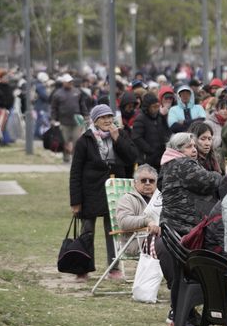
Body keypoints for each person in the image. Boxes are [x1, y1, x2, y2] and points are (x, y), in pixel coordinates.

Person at [69, 104, 138, 281]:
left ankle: (114, 268)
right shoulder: (85, 140)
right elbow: (75, 172)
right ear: (95, 120)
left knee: (113, 230)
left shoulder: (120, 134)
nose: (108, 121)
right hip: (90, 191)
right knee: (87, 230)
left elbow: (132, 157)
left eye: (110, 117)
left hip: (113, 190)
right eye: (103, 117)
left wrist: (118, 139)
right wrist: (75, 201)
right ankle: (82, 269)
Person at [158, 132, 222, 236]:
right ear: (177, 149)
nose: (194, 150)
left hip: (174, 225)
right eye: (189, 147)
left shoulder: (169, 165)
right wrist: (218, 175)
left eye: (194, 146)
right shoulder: (182, 164)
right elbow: (209, 181)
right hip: (186, 227)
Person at [115, 164, 169, 278]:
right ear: (135, 183)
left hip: (160, 237)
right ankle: (173, 280)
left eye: (151, 180)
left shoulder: (161, 199)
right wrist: (147, 221)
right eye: (143, 180)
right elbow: (123, 221)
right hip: (135, 241)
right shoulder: (127, 199)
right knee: (166, 245)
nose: (148, 183)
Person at [51, 73, 90, 162]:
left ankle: (75, 159)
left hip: (77, 121)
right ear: (63, 82)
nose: (70, 83)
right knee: (65, 141)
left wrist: (86, 115)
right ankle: (66, 157)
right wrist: (53, 119)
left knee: (77, 141)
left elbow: (82, 105)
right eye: (68, 82)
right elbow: (54, 108)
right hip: (64, 122)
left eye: (71, 82)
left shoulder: (77, 92)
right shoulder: (57, 94)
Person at [131, 92, 171, 173]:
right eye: (154, 107)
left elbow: (166, 132)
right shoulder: (140, 119)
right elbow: (137, 138)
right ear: (147, 107)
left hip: (161, 156)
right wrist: (149, 150)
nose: (156, 109)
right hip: (147, 157)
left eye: (157, 106)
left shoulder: (160, 117)